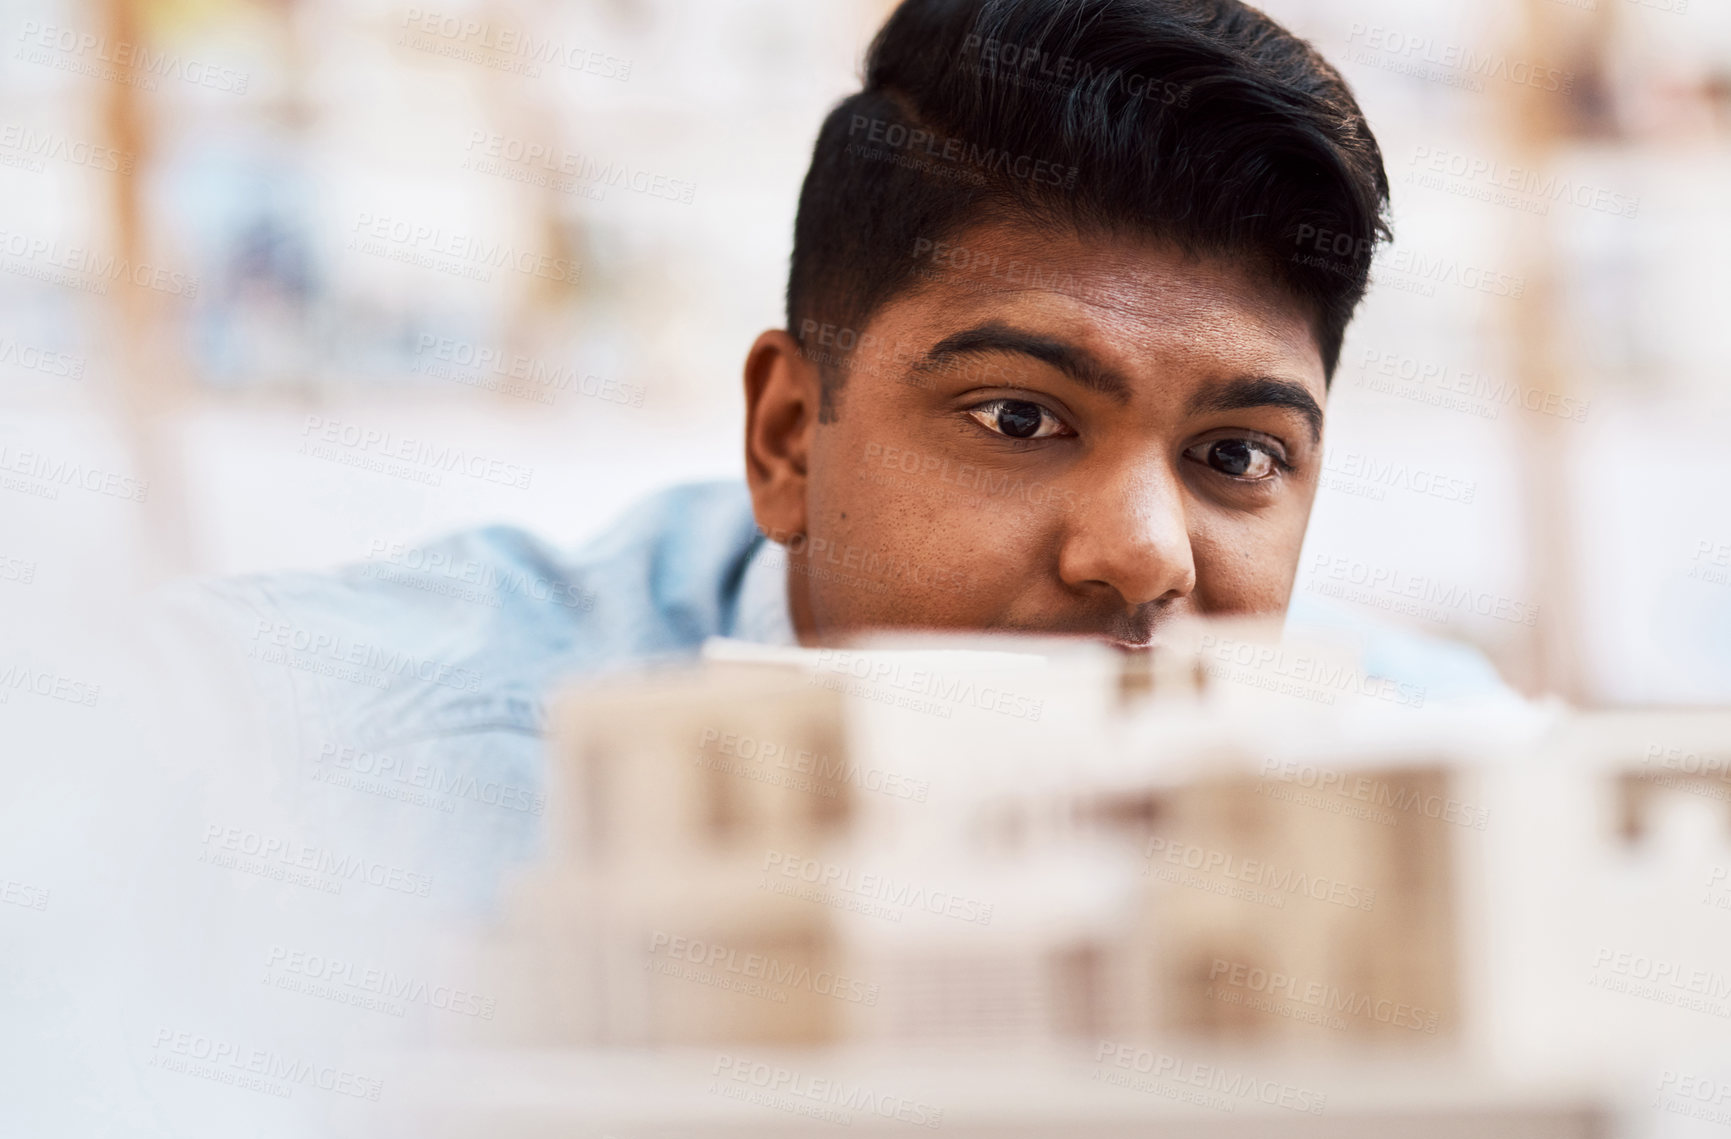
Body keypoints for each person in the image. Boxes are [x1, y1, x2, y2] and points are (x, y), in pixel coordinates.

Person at [178, 0, 1504, 901]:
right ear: (788, 438)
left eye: (1237, 457)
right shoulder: (362, 780)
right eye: (1021, 418)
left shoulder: (1454, 805)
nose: (1144, 558)